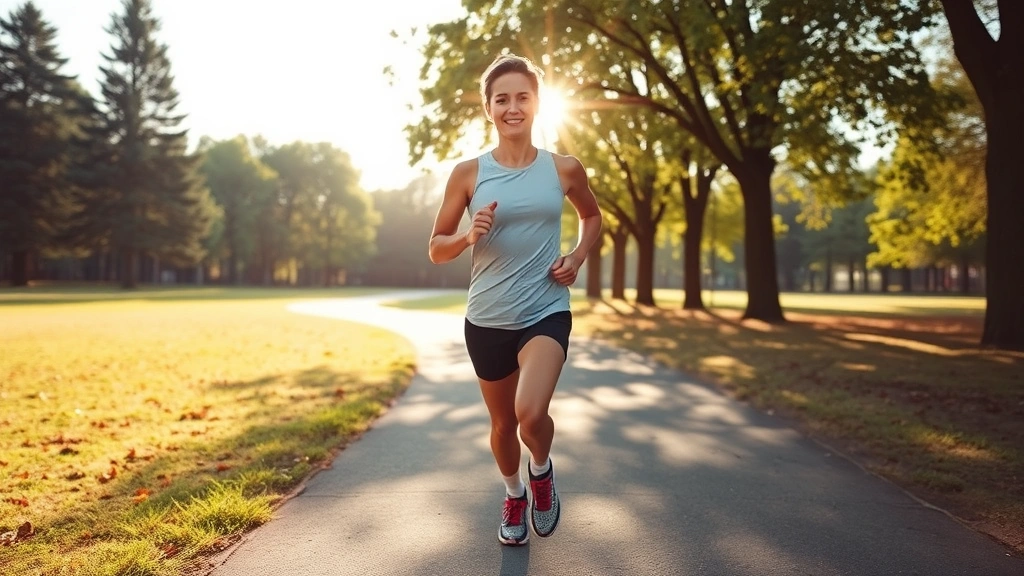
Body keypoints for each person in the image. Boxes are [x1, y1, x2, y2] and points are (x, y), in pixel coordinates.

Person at [428, 53, 602, 546]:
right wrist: (466, 236)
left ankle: (542, 471)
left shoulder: (564, 169)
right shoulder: (468, 174)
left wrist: (578, 254)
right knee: (503, 425)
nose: (512, 107)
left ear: (537, 104)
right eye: (501, 99)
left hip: (545, 308)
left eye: (522, 97)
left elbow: (593, 217)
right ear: (488, 108)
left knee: (529, 414)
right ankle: (514, 491)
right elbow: (436, 248)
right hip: (486, 319)